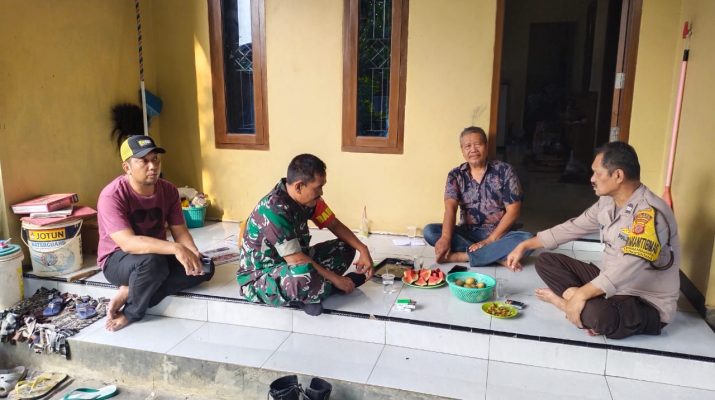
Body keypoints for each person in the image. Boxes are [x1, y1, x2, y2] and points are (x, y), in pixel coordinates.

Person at [507, 142, 680, 339]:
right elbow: (575, 226)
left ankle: (565, 303)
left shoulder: (649, 213)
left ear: (618, 175)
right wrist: (526, 244)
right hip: (610, 284)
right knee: (546, 261)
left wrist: (582, 294)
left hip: (644, 300)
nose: (592, 178)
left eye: (597, 173)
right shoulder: (607, 202)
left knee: (600, 316)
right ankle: (579, 306)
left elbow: (628, 268)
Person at [97, 135, 213, 331]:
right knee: (153, 263)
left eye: (155, 159)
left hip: (156, 254)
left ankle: (130, 290)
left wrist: (192, 252)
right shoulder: (112, 195)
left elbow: (180, 231)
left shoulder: (168, 190)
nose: (152, 166)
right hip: (117, 259)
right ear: (127, 167)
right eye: (143, 161)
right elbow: (127, 243)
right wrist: (176, 248)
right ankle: (131, 312)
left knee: (205, 268)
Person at [237, 154, 373, 315]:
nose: (321, 192)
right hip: (263, 277)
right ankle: (325, 290)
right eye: (318, 187)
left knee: (346, 247)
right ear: (299, 187)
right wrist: (336, 279)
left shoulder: (310, 200)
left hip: (297, 261)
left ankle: (314, 292)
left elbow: (333, 224)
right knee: (303, 274)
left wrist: (363, 249)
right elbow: (296, 260)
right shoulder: (273, 209)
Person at [424, 126, 533, 268]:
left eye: (477, 144)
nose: (473, 150)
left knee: (527, 239)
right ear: (462, 150)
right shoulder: (455, 175)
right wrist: (445, 238)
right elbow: (450, 209)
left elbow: (514, 211)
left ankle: (462, 256)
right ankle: (496, 258)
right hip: (467, 233)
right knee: (430, 231)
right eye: (468, 146)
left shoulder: (505, 171)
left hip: (499, 234)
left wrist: (489, 241)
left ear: (486, 147)